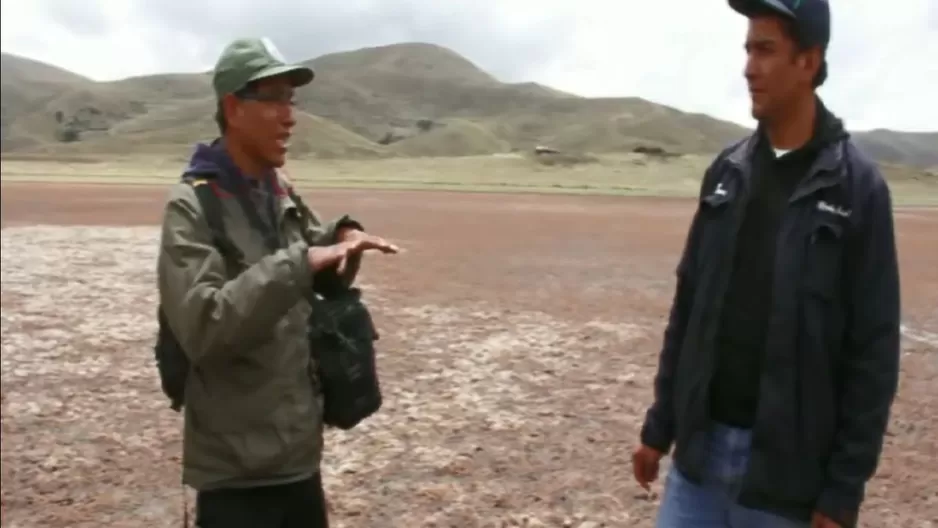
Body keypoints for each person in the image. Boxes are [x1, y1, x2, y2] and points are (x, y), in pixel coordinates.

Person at [631, 1, 901, 527]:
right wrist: (659, 427)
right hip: (698, 466)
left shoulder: (858, 190)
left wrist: (842, 491)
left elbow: (873, 353)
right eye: (748, 49)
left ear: (808, 61)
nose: (749, 67)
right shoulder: (726, 174)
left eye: (766, 50)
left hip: (785, 484)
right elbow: (688, 309)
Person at [156, 37, 399, 528]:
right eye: (274, 99)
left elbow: (305, 247)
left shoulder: (279, 191)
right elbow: (204, 324)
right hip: (236, 477)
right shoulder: (192, 206)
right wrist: (302, 262)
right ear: (233, 107)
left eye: (292, 101)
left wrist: (339, 238)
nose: (290, 117)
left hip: (298, 457)